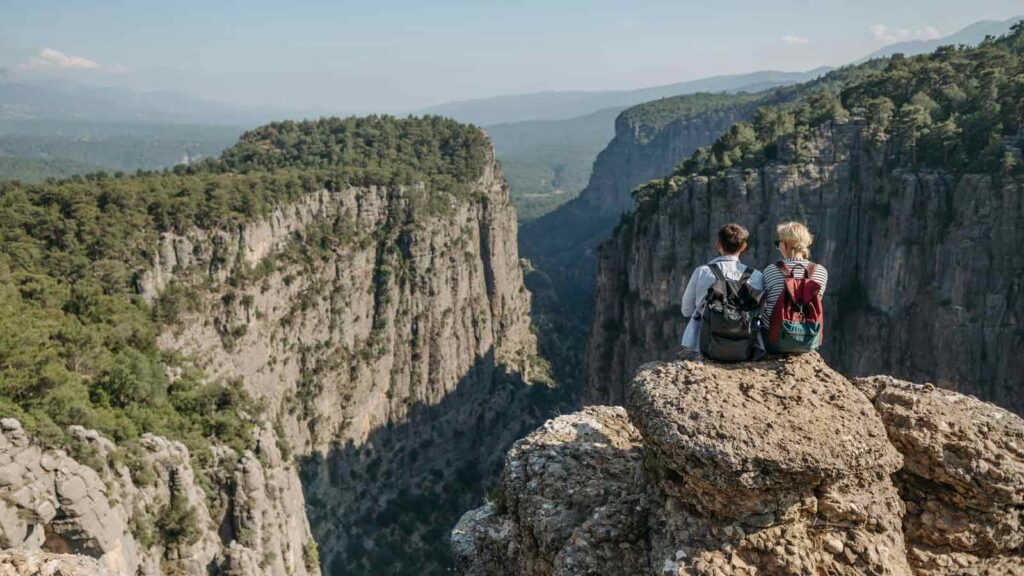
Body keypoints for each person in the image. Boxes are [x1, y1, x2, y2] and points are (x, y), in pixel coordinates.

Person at [681, 223, 764, 351]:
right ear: (744, 246)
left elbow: (686, 310)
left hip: (704, 346)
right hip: (745, 346)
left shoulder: (702, 271)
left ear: (718, 245)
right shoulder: (756, 276)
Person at [761, 221, 829, 353]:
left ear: (785, 244)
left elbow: (767, 305)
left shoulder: (771, 270)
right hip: (808, 340)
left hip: (775, 342)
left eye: (778, 243)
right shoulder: (821, 271)